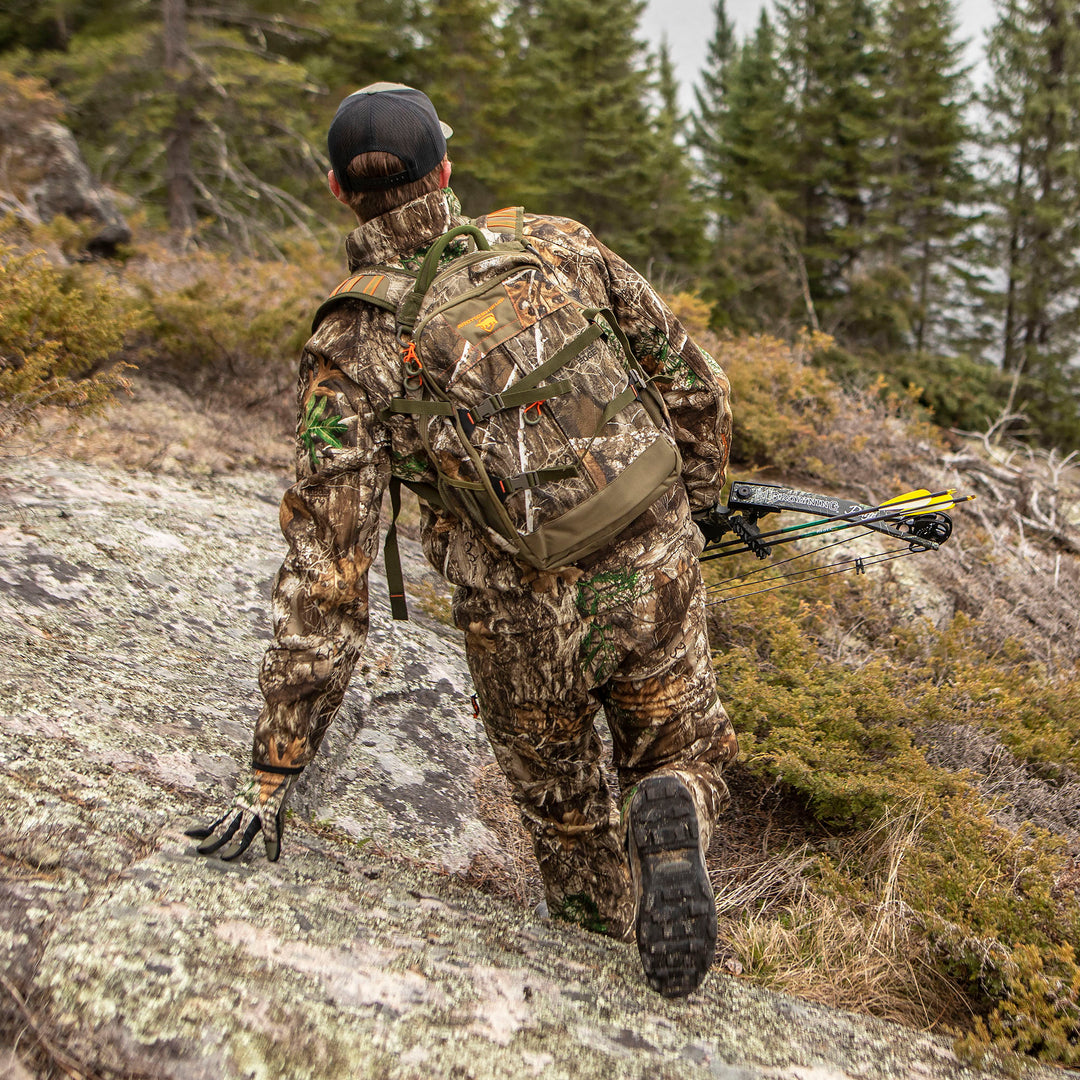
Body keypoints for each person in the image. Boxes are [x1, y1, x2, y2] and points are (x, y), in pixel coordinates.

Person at [187, 83, 739, 999]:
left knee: (568, 823)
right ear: (446, 170)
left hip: (517, 618)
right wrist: (699, 503)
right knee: (688, 746)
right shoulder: (553, 244)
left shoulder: (354, 342)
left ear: (337, 193)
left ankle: (599, 977)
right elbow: (695, 382)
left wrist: (273, 768)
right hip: (649, 558)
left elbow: (329, 571)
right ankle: (675, 800)